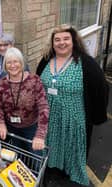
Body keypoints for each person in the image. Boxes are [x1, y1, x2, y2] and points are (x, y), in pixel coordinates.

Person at [36, 24, 109, 186]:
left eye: (66, 39)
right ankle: (54, 169)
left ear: (74, 40)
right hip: (50, 117)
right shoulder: (46, 59)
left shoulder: (86, 63)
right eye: (57, 40)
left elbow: (101, 89)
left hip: (74, 119)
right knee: (53, 144)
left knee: (73, 148)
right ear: (52, 43)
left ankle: (72, 174)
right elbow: (37, 84)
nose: (62, 43)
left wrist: (97, 116)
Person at [0, 47, 49, 153]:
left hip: (31, 128)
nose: (13, 65)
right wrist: (0, 123)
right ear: (5, 65)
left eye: (16, 61)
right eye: (9, 62)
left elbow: (43, 107)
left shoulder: (34, 80)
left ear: (22, 63)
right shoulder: (2, 83)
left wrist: (40, 135)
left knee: (35, 160)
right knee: (15, 159)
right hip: (11, 129)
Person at [0, 33, 29, 122]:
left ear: (12, 45)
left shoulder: (20, 61)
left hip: (12, 102)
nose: (2, 48)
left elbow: (26, 84)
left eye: (5, 45)